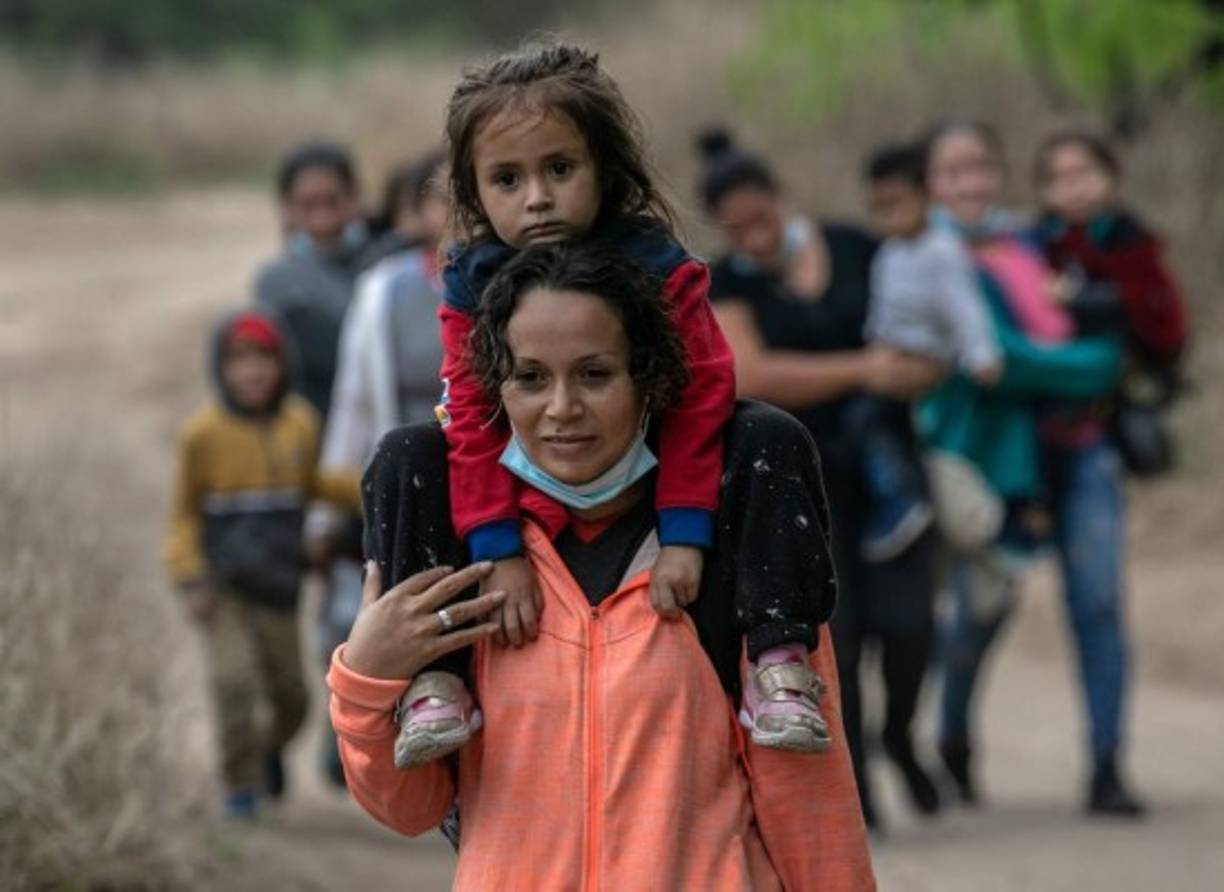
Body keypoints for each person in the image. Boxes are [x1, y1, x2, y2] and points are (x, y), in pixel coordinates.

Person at [328, 240, 875, 889]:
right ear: (493, 389)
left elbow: (808, 798)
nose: (561, 408)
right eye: (530, 378)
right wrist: (366, 676)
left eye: (594, 374)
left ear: (649, 379)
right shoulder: (463, 564)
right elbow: (410, 807)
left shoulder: (736, 551)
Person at [396, 41, 833, 768]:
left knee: (769, 434)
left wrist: (686, 532)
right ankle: (435, 681)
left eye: (559, 170)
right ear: (474, 193)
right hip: (528, 496)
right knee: (407, 454)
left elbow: (699, 399)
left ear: (604, 168)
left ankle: (779, 657)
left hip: (652, 487)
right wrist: (497, 549)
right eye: (507, 179)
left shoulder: (660, 266)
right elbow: (471, 421)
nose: (536, 198)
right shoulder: (471, 285)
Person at [698, 127, 945, 829]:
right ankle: (858, 793)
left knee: (911, 624)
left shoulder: (855, 247)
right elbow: (753, 374)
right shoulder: (727, 283)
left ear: (781, 199)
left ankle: (900, 736)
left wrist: (916, 367)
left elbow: (919, 329)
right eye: (736, 226)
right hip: (800, 485)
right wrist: (865, 368)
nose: (752, 235)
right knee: (840, 632)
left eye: (760, 217)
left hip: (889, 470)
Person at [920, 119, 1143, 817]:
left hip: (1077, 449)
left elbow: (1103, 319)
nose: (970, 182)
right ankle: (953, 734)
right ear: (932, 182)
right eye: (953, 170)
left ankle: (1107, 766)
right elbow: (1003, 361)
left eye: (981, 165)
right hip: (987, 464)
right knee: (982, 610)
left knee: (1099, 603)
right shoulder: (923, 256)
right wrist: (1098, 367)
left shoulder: (1032, 242)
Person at [163, 310, 359, 818]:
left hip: (281, 588)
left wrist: (373, 486)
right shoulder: (202, 435)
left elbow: (315, 482)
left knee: (293, 699)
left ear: (281, 365)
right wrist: (189, 579)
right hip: (225, 587)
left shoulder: (298, 425)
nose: (251, 372)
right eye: (238, 360)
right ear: (220, 368)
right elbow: (183, 515)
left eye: (263, 358)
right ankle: (240, 787)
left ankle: (267, 750)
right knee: (232, 685)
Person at [307, 149, 451, 786]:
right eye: (440, 199)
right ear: (415, 212)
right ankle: (360, 732)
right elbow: (355, 403)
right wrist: (330, 503)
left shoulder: (525, 282)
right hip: (406, 477)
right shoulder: (382, 291)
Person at [854, 141, 1002, 561]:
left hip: (929, 361)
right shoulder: (889, 253)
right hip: (889, 357)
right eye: (878, 206)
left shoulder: (941, 250)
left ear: (924, 196)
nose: (889, 215)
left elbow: (964, 308)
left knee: (873, 421)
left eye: (896, 203)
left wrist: (981, 355)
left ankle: (901, 500)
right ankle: (899, 497)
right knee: (873, 427)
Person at [1034, 131, 1189, 476]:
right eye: (1059, 179)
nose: (1074, 188)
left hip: (1128, 375)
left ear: (1111, 179)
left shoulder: (1131, 238)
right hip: (1058, 386)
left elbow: (1157, 308)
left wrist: (1082, 300)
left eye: (1084, 174)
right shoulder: (1040, 244)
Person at [254, 140, 371, 420]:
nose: (323, 219)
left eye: (332, 201)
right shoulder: (277, 283)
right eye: (308, 205)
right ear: (288, 208)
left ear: (355, 198)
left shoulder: (386, 262)